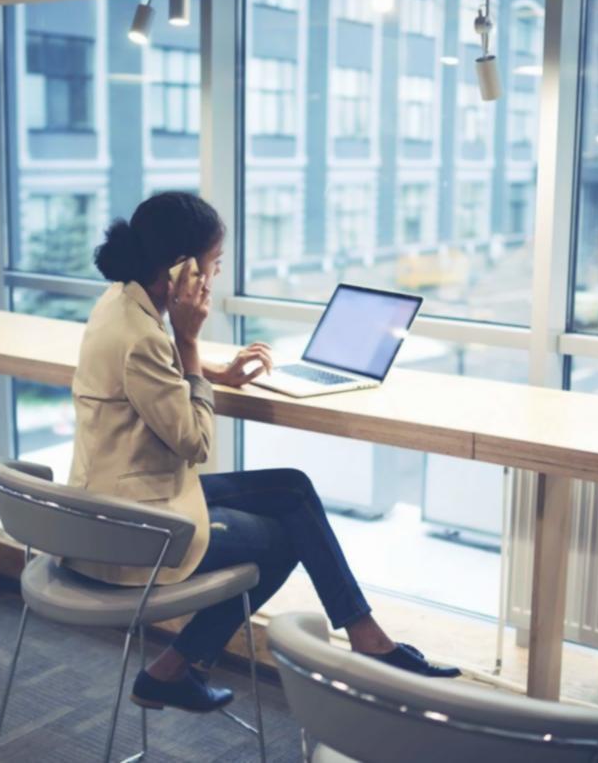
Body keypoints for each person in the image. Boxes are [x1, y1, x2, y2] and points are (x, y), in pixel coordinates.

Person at [68, 191, 459, 714]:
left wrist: (211, 371)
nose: (214, 277)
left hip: (115, 498)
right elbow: (196, 442)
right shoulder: (145, 336)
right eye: (213, 264)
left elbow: (149, 380)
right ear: (182, 269)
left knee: (291, 488)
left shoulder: (120, 303)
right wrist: (190, 343)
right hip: (137, 528)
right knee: (283, 539)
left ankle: (366, 637)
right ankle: (177, 668)